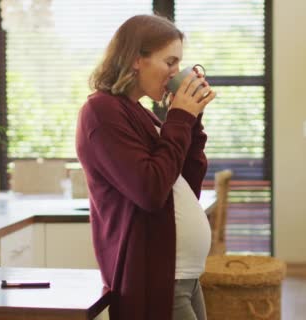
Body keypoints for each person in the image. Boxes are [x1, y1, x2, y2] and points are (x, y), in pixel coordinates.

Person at [75, 14, 217, 320]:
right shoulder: (101, 112)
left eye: (178, 65)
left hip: (183, 276)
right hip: (156, 276)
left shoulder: (139, 114)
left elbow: (182, 186)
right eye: (169, 62)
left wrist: (191, 122)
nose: (175, 73)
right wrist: (179, 119)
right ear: (137, 58)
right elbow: (149, 190)